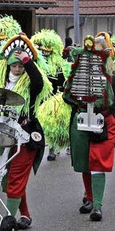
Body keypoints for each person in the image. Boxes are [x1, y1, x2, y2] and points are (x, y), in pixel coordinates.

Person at [0, 34, 52, 229]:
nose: (17, 69)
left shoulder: (32, 84)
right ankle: (25, 215)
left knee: (16, 177)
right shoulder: (0, 82)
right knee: (7, 178)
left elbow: (38, 81)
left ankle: (8, 222)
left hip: (26, 135)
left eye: (21, 67)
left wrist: (28, 62)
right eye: (14, 66)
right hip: (4, 134)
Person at [63, 35, 115, 221]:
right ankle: (89, 197)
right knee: (83, 162)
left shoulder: (114, 75)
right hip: (81, 119)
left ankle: (97, 205)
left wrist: (100, 97)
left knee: (97, 163)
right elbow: (67, 97)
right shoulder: (78, 71)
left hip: (103, 121)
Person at [31, 29, 71, 161]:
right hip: (37, 98)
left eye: (47, 47)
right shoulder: (35, 64)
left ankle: (51, 149)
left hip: (51, 98)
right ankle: (37, 147)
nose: (43, 50)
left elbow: (61, 81)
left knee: (51, 125)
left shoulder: (58, 65)